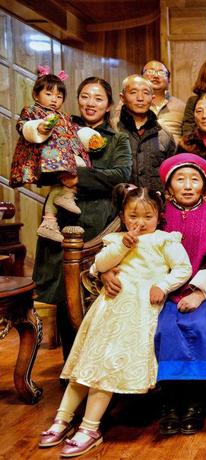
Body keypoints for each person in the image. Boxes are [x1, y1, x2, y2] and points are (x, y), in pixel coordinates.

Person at [38, 187, 192, 458]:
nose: (140, 222)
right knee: (87, 364)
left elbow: (183, 268)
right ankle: (63, 418)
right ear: (122, 215)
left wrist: (163, 285)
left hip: (139, 309)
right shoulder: (116, 240)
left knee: (106, 366)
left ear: (159, 216)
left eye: (148, 216)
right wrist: (122, 247)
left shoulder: (165, 240)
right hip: (108, 309)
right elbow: (99, 265)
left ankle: (90, 427)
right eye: (133, 216)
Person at [32, 76, 132, 358]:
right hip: (63, 223)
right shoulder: (61, 128)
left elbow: (120, 175)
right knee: (66, 299)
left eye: (98, 98)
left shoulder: (118, 140)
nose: (91, 103)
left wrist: (78, 177)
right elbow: (40, 168)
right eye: (85, 96)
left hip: (100, 224)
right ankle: (69, 368)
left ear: (108, 105)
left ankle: (99, 366)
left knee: (100, 295)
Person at [151, 154, 206, 436]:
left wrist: (199, 293)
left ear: (204, 186)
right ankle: (170, 403)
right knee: (164, 329)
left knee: (200, 326)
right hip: (161, 291)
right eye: (180, 179)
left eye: (194, 180)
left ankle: (195, 403)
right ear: (169, 186)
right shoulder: (157, 215)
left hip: (201, 291)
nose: (187, 186)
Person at [10, 69, 92, 242]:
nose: (54, 99)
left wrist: (90, 137)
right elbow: (23, 125)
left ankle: (49, 221)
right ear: (36, 95)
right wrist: (38, 127)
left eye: (59, 96)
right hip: (46, 156)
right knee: (68, 174)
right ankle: (67, 195)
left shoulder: (64, 116)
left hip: (63, 156)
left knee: (67, 178)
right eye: (49, 94)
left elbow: (75, 130)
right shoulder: (32, 110)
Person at [117, 74, 176, 192]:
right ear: (122, 97)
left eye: (146, 93)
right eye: (133, 92)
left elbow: (172, 174)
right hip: (121, 201)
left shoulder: (164, 134)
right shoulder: (113, 130)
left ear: (152, 98)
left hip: (155, 201)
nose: (140, 98)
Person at [141, 60, 186, 142]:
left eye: (161, 72)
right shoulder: (131, 105)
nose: (155, 76)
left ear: (169, 80)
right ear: (141, 78)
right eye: (150, 71)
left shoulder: (182, 107)